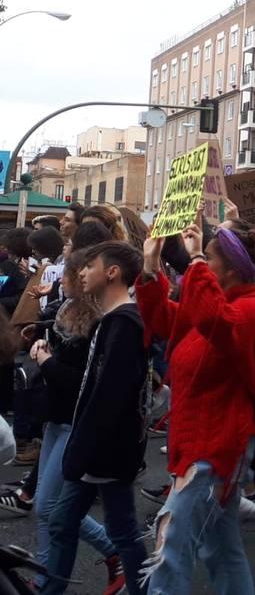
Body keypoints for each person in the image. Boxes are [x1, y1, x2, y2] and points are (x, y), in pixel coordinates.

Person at [135, 216, 255, 595]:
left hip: (218, 447)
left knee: (172, 544)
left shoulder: (252, 308)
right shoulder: (220, 302)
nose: (199, 266)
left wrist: (195, 257)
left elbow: (216, 322)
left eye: (210, 260)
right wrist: (150, 268)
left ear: (230, 268)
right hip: (201, 438)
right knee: (220, 547)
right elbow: (168, 320)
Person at [42, 242, 149, 595]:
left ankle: (141, 588)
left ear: (112, 272)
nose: (82, 273)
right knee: (61, 522)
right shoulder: (113, 321)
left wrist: (82, 448)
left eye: (90, 266)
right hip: (94, 450)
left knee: (123, 532)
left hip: (105, 451)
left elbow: (110, 394)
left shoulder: (125, 323)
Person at [27, 243, 126, 595]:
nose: (65, 279)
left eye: (71, 273)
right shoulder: (64, 308)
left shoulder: (101, 322)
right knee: (46, 504)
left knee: (51, 506)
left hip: (74, 419)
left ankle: (53, 574)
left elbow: (80, 380)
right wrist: (42, 346)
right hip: (55, 417)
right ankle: (45, 574)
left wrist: (45, 361)